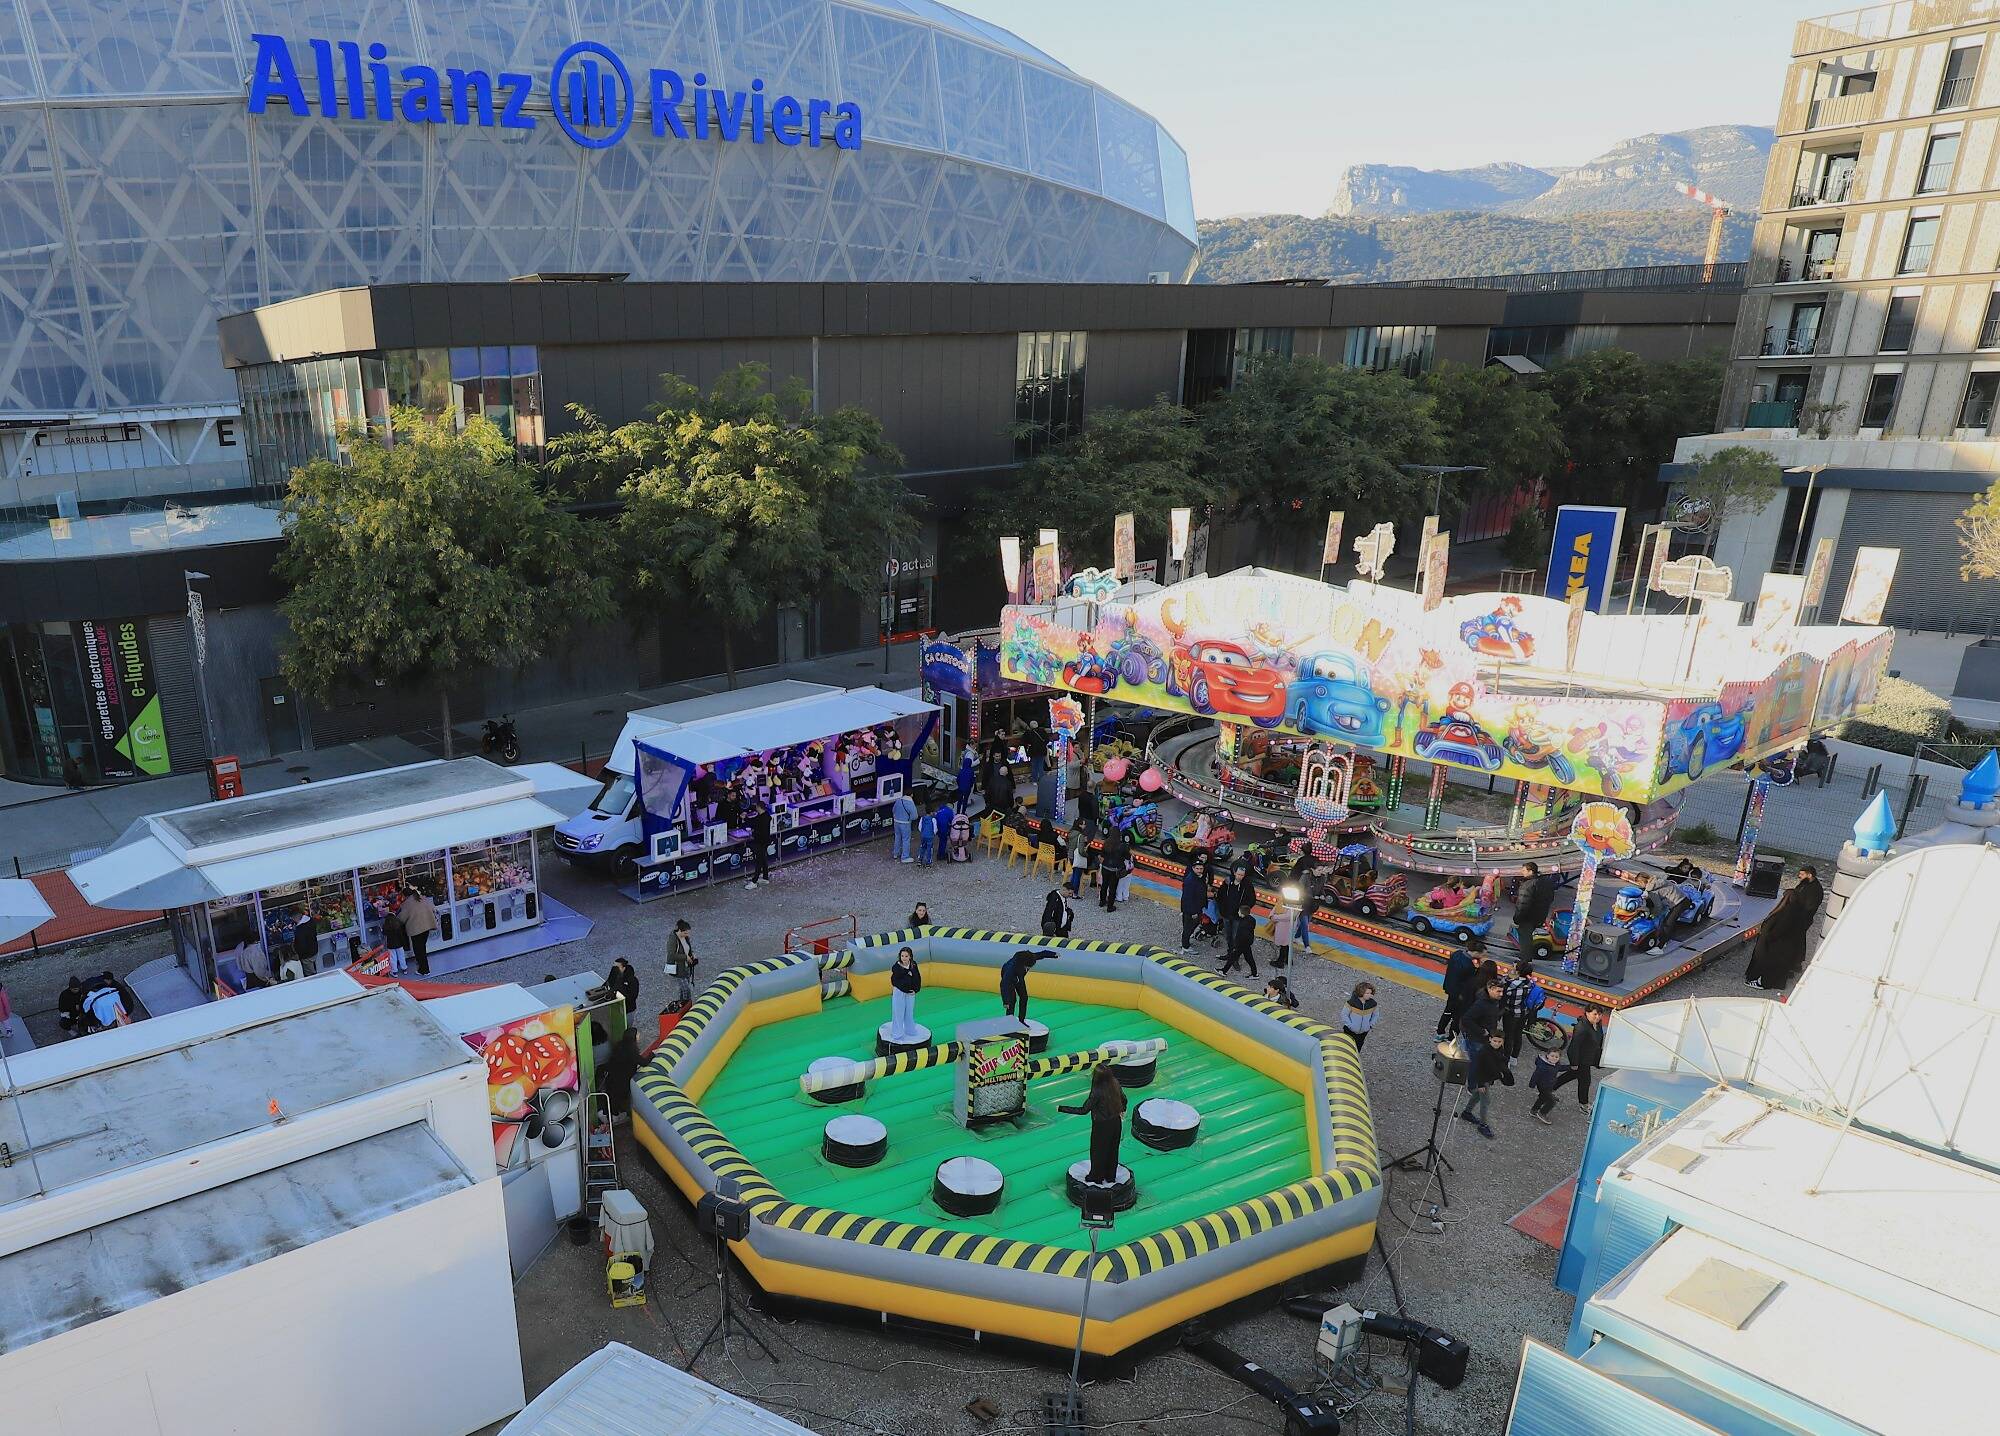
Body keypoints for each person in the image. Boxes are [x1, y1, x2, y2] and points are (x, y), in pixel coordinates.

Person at [1744, 864, 1824, 990]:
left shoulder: (1815, 890)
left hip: (1799, 921)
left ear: (1810, 875)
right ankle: (1793, 966)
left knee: (1790, 947)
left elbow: (1809, 908)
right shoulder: (1806, 885)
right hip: (1796, 921)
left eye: (1802, 874)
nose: (1800, 876)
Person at [1057, 1063, 1128, 1185]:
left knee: (1098, 1151)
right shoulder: (1115, 1083)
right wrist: (1122, 1110)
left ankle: (1096, 1177)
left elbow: (1083, 1110)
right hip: (1116, 1123)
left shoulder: (1097, 1091)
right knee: (1113, 1149)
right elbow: (1124, 1099)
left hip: (1102, 1126)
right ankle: (1110, 1176)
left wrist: (1061, 1108)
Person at [1459, 1030, 1513, 1139]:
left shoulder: (1498, 1049)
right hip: (1483, 1080)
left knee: (1477, 1096)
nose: (1497, 1043)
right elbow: (1478, 1069)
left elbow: (1498, 1058)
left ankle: (1467, 1112)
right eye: (1495, 1041)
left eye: (1499, 1041)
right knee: (1485, 1101)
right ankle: (1483, 1124)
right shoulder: (1483, 1052)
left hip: (1489, 1079)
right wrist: (1480, 1084)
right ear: (1490, 1039)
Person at [1552, 1006, 1607, 1107]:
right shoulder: (1582, 1028)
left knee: (1571, 1075)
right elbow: (1574, 1046)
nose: (1598, 1017)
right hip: (1582, 1059)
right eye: (1595, 1014)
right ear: (1587, 1013)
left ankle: (1549, 1088)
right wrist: (1574, 1062)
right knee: (1585, 1081)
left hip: (1588, 1056)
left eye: (1599, 1014)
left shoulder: (1597, 1023)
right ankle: (1584, 1104)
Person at [1501, 958, 1546, 1059]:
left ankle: (1506, 1058)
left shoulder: (1511, 984)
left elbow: (1503, 995)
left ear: (1518, 971)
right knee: (1518, 1035)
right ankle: (1514, 1057)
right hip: (1524, 1014)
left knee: (1508, 1037)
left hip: (1510, 1014)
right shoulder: (1530, 984)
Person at [1221, 865, 1260, 979]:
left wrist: (1244, 910)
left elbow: (1252, 899)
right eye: (1238, 874)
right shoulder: (1227, 882)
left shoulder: (1247, 885)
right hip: (1227, 915)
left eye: (1242, 875)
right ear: (1234, 873)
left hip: (1238, 917)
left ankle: (1234, 958)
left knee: (1235, 938)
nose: (1240, 877)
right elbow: (1221, 895)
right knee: (1228, 936)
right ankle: (1230, 954)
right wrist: (1222, 909)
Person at [1512, 861, 1556, 952]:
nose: (1522, 872)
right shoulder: (1544, 882)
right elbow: (1550, 898)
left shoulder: (1528, 885)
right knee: (1529, 936)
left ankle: (1525, 961)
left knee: (1525, 939)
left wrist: (1517, 918)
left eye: (1524, 870)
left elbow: (1523, 904)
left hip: (1527, 917)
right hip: (1540, 915)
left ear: (1530, 871)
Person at [1436, 940, 1476, 1038]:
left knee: (1447, 1011)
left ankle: (1440, 1032)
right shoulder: (1469, 966)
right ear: (1476, 953)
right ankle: (1451, 1037)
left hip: (1451, 989)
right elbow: (1469, 982)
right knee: (1457, 1016)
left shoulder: (1457, 954)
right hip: (1460, 994)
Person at [999, 948, 1050, 1024]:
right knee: (1011, 1001)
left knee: (1024, 997)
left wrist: (1054, 954)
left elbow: (1043, 953)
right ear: (1023, 965)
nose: (1028, 969)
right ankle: (1008, 1023)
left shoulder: (1030, 957)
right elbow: (1004, 984)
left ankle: (1021, 1021)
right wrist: (1005, 1001)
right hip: (1009, 980)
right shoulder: (1011, 970)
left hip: (1019, 978)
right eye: (1027, 967)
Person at [605, 1026, 642, 1122]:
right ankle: (615, 1116)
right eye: (637, 1034)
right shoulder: (632, 1050)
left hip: (614, 1076)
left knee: (614, 1096)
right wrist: (653, 1055)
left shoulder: (620, 1046)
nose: (639, 1036)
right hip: (623, 1078)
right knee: (619, 1097)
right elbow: (643, 1062)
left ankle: (614, 1114)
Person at [401, 885, 439, 976]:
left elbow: (402, 918)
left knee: (419, 949)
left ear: (405, 895)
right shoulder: (422, 898)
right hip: (427, 926)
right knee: (422, 947)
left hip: (416, 929)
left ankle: (424, 970)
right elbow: (433, 908)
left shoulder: (407, 903)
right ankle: (422, 967)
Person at [1528, 1042, 1569, 1125]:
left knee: (1542, 1098)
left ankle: (1534, 1110)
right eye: (1552, 1056)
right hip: (1543, 1086)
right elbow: (1536, 1075)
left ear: (1559, 1058)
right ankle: (1542, 1113)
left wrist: (1569, 1067)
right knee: (1552, 1101)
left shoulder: (1555, 1064)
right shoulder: (1542, 1066)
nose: (1554, 1058)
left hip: (1549, 1085)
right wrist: (1532, 1084)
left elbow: (1559, 1068)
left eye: (1556, 1057)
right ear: (1547, 1055)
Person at [889, 946, 923, 1042]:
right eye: (902, 956)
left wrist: (916, 989)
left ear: (910, 957)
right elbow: (895, 980)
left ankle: (910, 1030)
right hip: (899, 992)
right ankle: (897, 1033)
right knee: (898, 1012)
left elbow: (917, 977)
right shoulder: (897, 967)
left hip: (910, 993)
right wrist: (907, 972)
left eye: (906, 956)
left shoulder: (913, 965)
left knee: (909, 1012)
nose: (904, 958)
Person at [1179, 854, 1211, 950]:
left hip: (1196, 908)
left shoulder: (1198, 877)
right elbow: (1188, 898)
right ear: (1193, 868)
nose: (1199, 870)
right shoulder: (1191, 880)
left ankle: (1186, 941)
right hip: (1191, 910)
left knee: (1189, 926)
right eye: (1197, 868)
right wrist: (1193, 912)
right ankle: (1185, 946)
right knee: (1189, 927)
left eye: (1201, 868)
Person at [1098, 827, 1131, 913]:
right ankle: (1110, 906)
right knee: (1112, 888)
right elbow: (1127, 856)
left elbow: (1102, 854)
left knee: (1104, 884)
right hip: (1115, 869)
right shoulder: (1123, 846)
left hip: (1105, 867)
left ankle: (1102, 901)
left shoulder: (1106, 843)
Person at [665, 919, 697, 1008]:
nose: (688, 935)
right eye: (686, 933)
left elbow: (688, 948)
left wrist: (691, 954)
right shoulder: (673, 939)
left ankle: (681, 1006)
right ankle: (687, 1007)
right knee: (686, 990)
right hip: (678, 969)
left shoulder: (685, 937)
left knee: (683, 990)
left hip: (686, 967)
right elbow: (671, 955)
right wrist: (685, 957)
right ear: (680, 931)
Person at [745, 800, 774, 887]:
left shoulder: (763, 818)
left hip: (761, 842)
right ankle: (765, 877)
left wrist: (754, 834)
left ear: (759, 807)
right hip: (764, 841)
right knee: (763, 859)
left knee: (759, 861)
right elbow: (755, 822)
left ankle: (754, 881)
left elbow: (758, 827)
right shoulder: (765, 816)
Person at [1342, 982, 1379, 1048]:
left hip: (1363, 1032)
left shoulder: (1373, 1004)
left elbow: (1375, 1015)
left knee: (1358, 1048)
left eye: (1370, 993)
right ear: (1361, 993)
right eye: (1367, 993)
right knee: (1346, 1047)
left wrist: (1370, 1025)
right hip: (1349, 1030)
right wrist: (1350, 1026)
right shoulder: (1351, 1003)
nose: (1370, 995)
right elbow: (1344, 1014)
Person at [291, 905, 321, 974]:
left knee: (310, 974)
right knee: (315, 968)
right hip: (314, 950)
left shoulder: (300, 930)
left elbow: (302, 945)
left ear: (294, 918)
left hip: (307, 955)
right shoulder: (310, 920)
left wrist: (299, 955)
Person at [891, 788, 919, 863]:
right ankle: (905, 857)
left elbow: (893, 810)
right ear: (911, 794)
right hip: (905, 823)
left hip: (896, 822)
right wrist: (909, 819)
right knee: (906, 839)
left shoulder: (898, 800)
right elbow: (915, 815)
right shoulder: (910, 803)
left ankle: (896, 853)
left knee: (897, 837)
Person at [382, 900, 409, 976]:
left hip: (390, 943)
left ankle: (394, 971)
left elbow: (384, 933)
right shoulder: (397, 921)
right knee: (401, 955)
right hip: (399, 942)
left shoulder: (386, 922)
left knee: (392, 957)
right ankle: (404, 969)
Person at [1067, 820, 1093, 897]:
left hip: (1071, 856)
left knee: (1074, 874)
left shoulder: (1071, 833)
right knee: (1077, 876)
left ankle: (1069, 891)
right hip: (1077, 857)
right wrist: (1086, 854)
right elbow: (1081, 851)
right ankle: (1074, 894)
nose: (1085, 826)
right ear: (1079, 825)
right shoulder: (1080, 836)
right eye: (1084, 824)